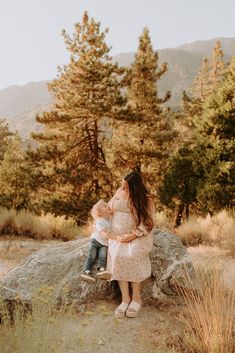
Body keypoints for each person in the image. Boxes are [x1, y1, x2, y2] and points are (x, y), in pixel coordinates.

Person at [104, 171, 155, 318]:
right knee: (118, 254)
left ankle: (136, 297)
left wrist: (132, 236)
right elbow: (107, 208)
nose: (123, 189)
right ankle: (125, 299)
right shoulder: (119, 192)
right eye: (122, 185)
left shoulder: (147, 199)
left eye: (126, 187)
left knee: (132, 254)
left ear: (135, 188)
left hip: (138, 235)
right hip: (118, 236)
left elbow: (149, 223)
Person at [80, 199, 112, 283]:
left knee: (103, 256)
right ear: (100, 213)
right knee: (92, 256)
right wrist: (112, 237)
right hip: (95, 240)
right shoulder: (99, 221)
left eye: (107, 205)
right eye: (105, 206)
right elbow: (103, 233)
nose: (108, 206)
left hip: (104, 243)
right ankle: (86, 271)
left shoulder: (110, 221)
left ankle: (101, 271)